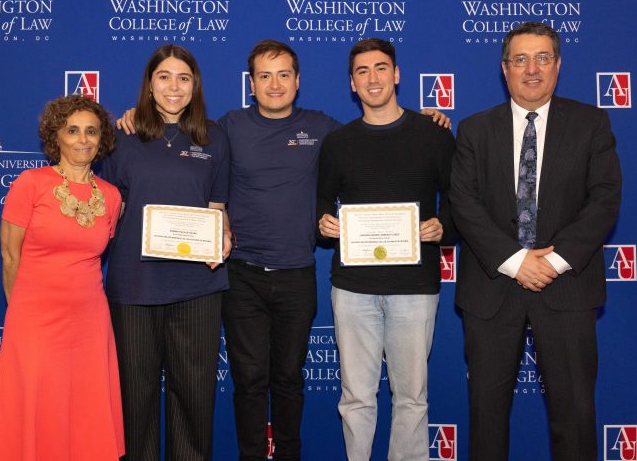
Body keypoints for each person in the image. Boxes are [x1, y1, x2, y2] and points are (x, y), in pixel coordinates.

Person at [116, 39, 451, 461]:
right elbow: (176, 130)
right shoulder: (225, 130)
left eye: (284, 75)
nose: (275, 84)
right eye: (264, 76)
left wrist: (425, 119)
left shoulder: (326, 129)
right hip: (241, 274)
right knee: (249, 381)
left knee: (290, 380)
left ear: (298, 81)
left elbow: (375, 130)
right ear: (251, 84)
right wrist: (135, 116)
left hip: (297, 273)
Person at [450, 21, 622, 461]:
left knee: (575, 416)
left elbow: (604, 198)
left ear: (558, 65)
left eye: (543, 58)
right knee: (486, 418)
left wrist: (554, 261)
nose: (532, 69)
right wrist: (514, 260)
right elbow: (463, 203)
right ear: (504, 69)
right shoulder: (473, 130)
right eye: (520, 59)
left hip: (566, 288)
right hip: (492, 290)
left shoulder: (591, 123)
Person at [317, 38, 455, 461]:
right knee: (356, 397)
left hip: (414, 287)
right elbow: (322, 207)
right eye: (362, 71)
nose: (373, 78)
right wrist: (325, 224)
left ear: (397, 74)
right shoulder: (338, 142)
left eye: (381, 68)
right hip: (353, 288)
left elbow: (456, 205)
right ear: (353, 84)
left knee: (412, 397)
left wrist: (442, 226)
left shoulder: (433, 134)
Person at [102, 44, 231, 461]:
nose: (173, 87)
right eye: (164, 77)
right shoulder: (120, 138)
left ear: (195, 86)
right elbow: (105, 209)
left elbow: (218, 209)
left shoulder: (214, 137)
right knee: (134, 401)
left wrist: (223, 237)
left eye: (183, 78)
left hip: (198, 285)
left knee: (193, 400)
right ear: (149, 84)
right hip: (134, 286)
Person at [0, 95, 124, 460]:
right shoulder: (30, 184)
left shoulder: (111, 198)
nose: (83, 139)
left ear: (101, 139)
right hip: (34, 319)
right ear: (55, 136)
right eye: (72, 130)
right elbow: (10, 256)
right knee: (35, 407)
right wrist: (21, 315)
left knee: (85, 409)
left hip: (90, 321)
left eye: (91, 131)